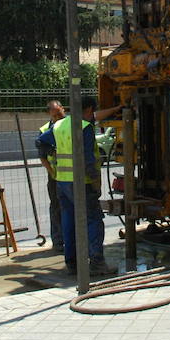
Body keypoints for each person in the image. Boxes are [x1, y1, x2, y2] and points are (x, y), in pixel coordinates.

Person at [37, 96, 116, 275]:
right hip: (83, 183)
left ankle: (72, 263)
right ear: (88, 110)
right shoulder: (85, 127)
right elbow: (88, 160)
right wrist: (96, 181)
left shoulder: (59, 125)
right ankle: (96, 263)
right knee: (93, 220)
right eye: (92, 113)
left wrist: (52, 155)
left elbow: (40, 141)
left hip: (62, 183)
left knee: (69, 221)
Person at [35, 100, 65, 252]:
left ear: (63, 109)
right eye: (55, 115)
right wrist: (52, 173)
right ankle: (58, 241)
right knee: (56, 208)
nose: (58, 117)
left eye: (59, 113)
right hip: (55, 178)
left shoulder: (69, 125)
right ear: (49, 114)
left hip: (72, 177)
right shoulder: (45, 130)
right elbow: (43, 157)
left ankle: (71, 240)